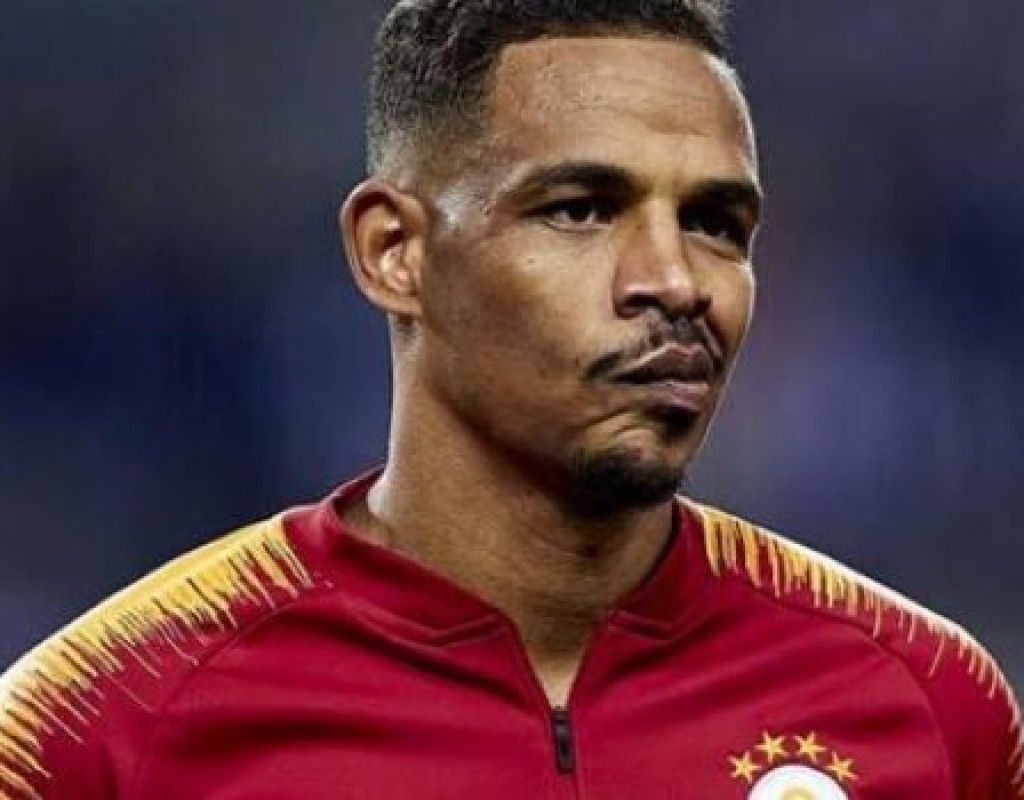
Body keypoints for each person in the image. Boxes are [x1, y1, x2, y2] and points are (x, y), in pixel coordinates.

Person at [1, 0, 1021, 797]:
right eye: (581, 209)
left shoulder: (927, 704)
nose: (675, 281)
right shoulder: (98, 729)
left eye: (715, 223)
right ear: (394, 252)